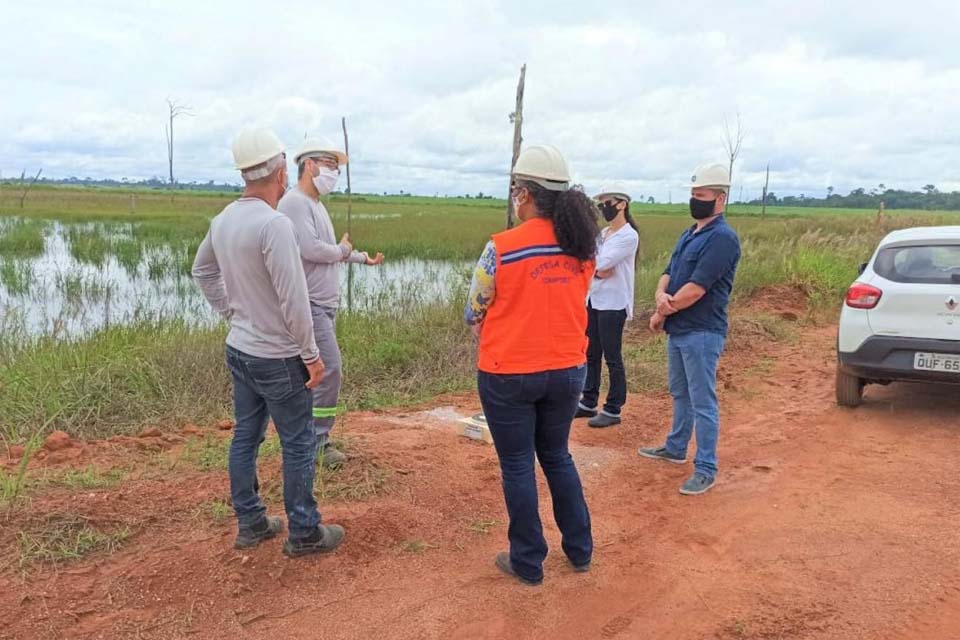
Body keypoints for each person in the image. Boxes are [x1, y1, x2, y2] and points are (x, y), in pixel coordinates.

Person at [192, 126, 345, 557]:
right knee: (297, 442)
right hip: (278, 357)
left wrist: (233, 313)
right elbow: (294, 301)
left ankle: (252, 523)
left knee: (247, 436)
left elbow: (202, 272)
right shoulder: (274, 224)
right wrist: (312, 355)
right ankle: (305, 533)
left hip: (240, 349)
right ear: (280, 171)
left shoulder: (224, 219)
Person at [465, 144, 597, 585]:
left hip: (508, 372)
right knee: (557, 455)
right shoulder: (582, 247)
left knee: (518, 463)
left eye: (516, 190)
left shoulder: (501, 247)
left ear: (524, 193)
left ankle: (527, 560)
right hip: (567, 370)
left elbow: (473, 310)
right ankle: (580, 550)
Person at [278, 137, 384, 467]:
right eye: (329, 164)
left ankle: (305, 439)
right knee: (329, 368)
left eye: (336, 167)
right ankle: (317, 442)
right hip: (309, 304)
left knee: (309, 374)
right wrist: (341, 251)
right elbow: (312, 249)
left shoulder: (316, 205)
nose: (334, 172)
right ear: (309, 165)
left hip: (323, 304)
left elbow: (330, 249)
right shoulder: (295, 203)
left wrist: (360, 257)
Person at [638, 163, 741, 496]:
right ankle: (676, 446)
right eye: (693, 195)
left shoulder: (722, 238)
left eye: (702, 195)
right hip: (679, 329)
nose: (695, 200)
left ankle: (706, 467)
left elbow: (697, 288)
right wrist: (660, 300)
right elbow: (669, 273)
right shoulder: (690, 233)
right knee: (680, 392)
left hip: (702, 331)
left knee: (702, 400)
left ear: (720, 199)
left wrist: (665, 309)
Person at [575, 188, 640, 428]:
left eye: (608, 203)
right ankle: (588, 401)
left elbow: (600, 262)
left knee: (612, 355)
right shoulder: (603, 234)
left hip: (614, 303)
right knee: (591, 352)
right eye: (601, 204)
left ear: (622, 204)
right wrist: (596, 271)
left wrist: (594, 268)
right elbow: (589, 261)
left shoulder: (628, 236)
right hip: (594, 299)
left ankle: (613, 408)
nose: (604, 208)